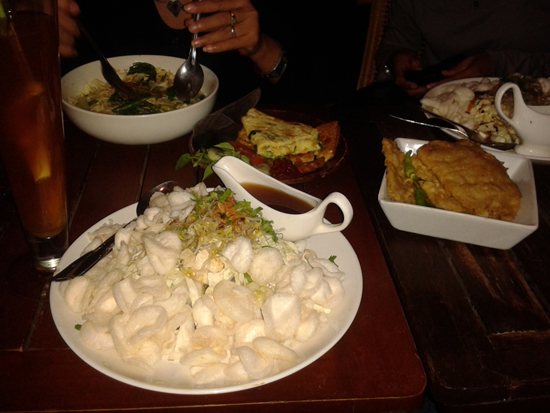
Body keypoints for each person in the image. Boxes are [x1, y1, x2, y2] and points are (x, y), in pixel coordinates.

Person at [57, 0, 365, 104]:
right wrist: (38, 43)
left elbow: (328, 99)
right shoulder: (82, 6)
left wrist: (261, 49)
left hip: (242, 171)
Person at [376, 0, 550, 98]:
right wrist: (396, 59)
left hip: (536, 107)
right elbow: (395, 44)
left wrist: (498, 65)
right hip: (440, 108)